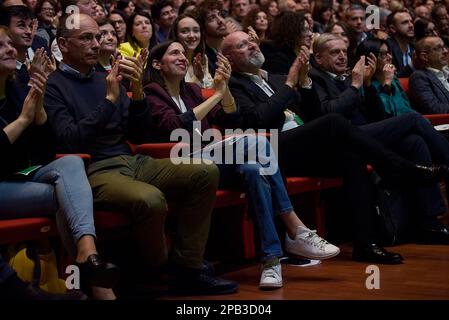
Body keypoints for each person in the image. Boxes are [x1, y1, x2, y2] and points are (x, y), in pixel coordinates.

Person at [44, 13, 238, 296]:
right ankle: (158, 269)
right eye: (86, 38)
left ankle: (187, 267)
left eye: (97, 37)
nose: (96, 44)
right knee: (150, 199)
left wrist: (136, 93)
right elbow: (70, 140)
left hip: (133, 159)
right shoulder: (54, 85)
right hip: (94, 169)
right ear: (63, 43)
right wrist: (110, 101)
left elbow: (140, 133)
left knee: (204, 171)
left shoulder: (105, 77)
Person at [221, 31, 448, 264]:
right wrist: (291, 83)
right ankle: (400, 167)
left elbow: (311, 114)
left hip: (306, 145)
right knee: (337, 122)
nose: (251, 45)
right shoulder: (232, 86)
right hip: (273, 149)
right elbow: (257, 120)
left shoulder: (275, 79)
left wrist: (305, 82)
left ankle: (366, 244)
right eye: (242, 45)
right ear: (228, 59)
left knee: (353, 154)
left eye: (251, 41)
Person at [143, 40, 340, 289]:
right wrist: (214, 95)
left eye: (184, 52)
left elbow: (228, 119)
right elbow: (173, 127)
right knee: (257, 143)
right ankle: (294, 227)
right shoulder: (152, 92)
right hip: (179, 164)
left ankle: (271, 262)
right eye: (174, 53)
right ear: (157, 64)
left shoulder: (192, 90)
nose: (182, 56)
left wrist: (223, 90)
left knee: (254, 169)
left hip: (212, 162)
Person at [0, 25, 119, 300]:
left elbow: (44, 151)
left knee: (71, 164)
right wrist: (23, 120)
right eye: (2, 45)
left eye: (10, 43)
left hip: (21, 176)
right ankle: (99, 287)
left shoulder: (17, 86)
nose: (10, 49)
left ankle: (87, 254)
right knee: (67, 195)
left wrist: (39, 109)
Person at [311, 33, 449, 244]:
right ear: (318, 58)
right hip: (342, 141)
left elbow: (376, 116)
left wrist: (366, 86)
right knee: (412, 118)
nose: (341, 56)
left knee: (415, 142)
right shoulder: (314, 80)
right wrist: (357, 85)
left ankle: (429, 221)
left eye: (343, 51)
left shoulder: (350, 77)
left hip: (366, 135)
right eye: (334, 52)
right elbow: (329, 113)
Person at [168, 13, 214, 89]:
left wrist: (222, 82)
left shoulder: (203, 58)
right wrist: (197, 78)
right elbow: (180, 97)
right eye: (184, 31)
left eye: (196, 31)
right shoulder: (172, 61)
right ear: (175, 35)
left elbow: (208, 90)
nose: (192, 36)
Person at [409, 36, 449, 114]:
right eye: (439, 48)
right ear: (424, 56)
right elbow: (434, 108)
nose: (445, 51)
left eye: (444, 47)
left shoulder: (446, 73)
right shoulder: (419, 77)